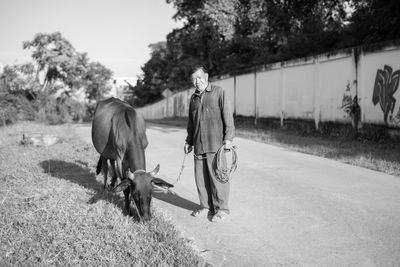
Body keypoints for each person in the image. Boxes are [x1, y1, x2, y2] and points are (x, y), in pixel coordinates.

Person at [184, 65, 235, 222]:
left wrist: (229, 138)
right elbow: (191, 123)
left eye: (199, 78)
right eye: (194, 79)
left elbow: (227, 115)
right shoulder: (193, 99)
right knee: (201, 178)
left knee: (217, 177)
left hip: (215, 143)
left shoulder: (219, 92)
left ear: (206, 76)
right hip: (199, 144)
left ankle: (222, 209)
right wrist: (189, 140)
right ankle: (206, 207)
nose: (197, 81)